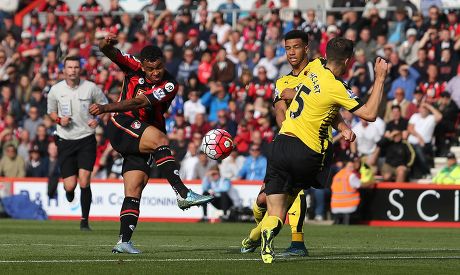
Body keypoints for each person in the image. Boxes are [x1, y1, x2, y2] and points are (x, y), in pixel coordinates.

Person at [259, 36, 390, 263]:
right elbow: (369, 114)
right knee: (294, 194)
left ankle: (262, 234)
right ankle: (294, 241)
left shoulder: (315, 68)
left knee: (273, 208)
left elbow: (303, 95)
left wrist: (342, 125)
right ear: (348, 61)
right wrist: (379, 78)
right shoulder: (336, 86)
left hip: (280, 144)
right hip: (308, 149)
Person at [89, 35, 213, 254]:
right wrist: (105, 44)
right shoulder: (132, 65)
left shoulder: (170, 84)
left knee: (135, 186)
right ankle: (182, 193)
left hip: (141, 133)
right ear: (142, 65)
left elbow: (141, 101)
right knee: (161, 140)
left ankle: (123, 241)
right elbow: (108, 51)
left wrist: (106, 107)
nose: (155, 73)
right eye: (150, 69)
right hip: (122, 124)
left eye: (158, 68)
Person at [240, 31, 356, 259]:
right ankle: (257, 233)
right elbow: (280, 113)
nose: (291, 52)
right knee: (263, 200)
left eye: (296, 47)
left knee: (295, 190)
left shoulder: (319, 69)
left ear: (307, 48)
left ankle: (297, 242)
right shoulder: (282, 82)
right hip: (287, 141)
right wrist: (290, 127)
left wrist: (341, 127)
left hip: (313, 145)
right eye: (287, 48)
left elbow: (328, 105)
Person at [47, 55, 108, 231]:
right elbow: (50, 112)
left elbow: (104, 105)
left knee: (84, 180)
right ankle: (68, 190)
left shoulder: (90, 88)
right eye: (70, 67)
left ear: (79, 69)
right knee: (70, 185)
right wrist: (59, 119)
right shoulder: (56, 90)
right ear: (64, 70)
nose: (73, 70)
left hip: (86, 138)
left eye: (75, 67)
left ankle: (84, 221)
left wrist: (98, 119)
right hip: (65, 140)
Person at [330, 156, 374, 225]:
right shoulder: (351, 175)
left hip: (335, 206)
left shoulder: (337, 175)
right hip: (349, 206)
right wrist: (371, 183)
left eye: (352, 166)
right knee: (364, 195)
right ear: (345, 166)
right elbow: (360, 185)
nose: (352, 168)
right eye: (350, 166)